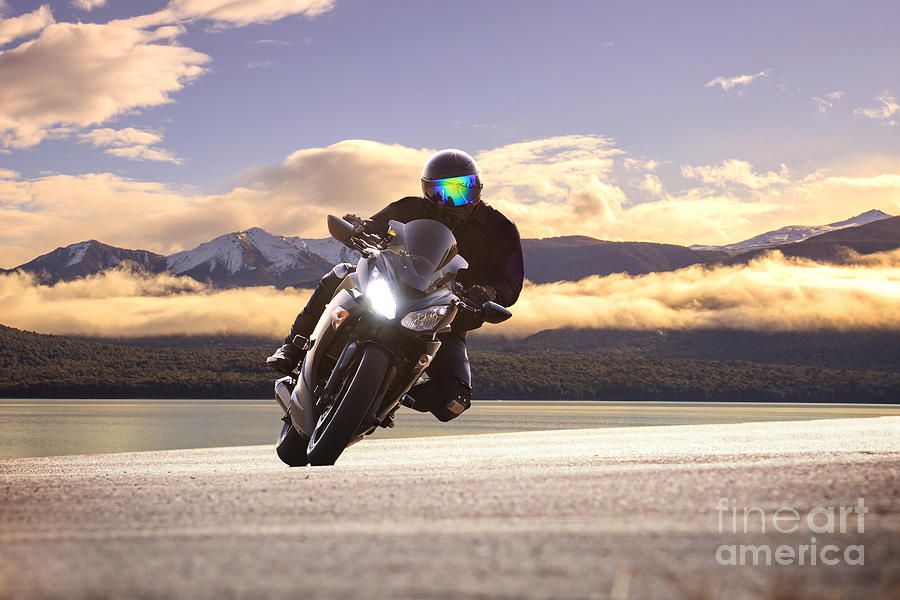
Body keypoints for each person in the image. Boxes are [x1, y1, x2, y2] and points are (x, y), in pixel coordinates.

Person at [266, 149, 524, 421]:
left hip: (442, 317)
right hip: (390, 289)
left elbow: (510, 283)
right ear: (427, 190)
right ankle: (291, 349)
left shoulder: (500, 229)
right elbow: (374, 227)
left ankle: (393, 393)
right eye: (441, 191)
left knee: (454, 401)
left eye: (462, 190)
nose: (450, 199)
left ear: (478, 188)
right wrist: (359, 227)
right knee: (340, 274)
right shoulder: (409, 208)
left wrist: (489, 293)